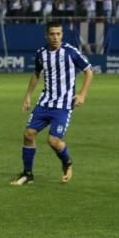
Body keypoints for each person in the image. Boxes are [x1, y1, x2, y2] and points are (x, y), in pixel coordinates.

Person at [11, 20, 94, 186]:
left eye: (58, 34)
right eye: (52, 34)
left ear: (62, 34)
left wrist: (82, 95)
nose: (56, 37)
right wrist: (28, 96)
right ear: (46, 35)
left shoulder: (71, 52)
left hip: (63, 105)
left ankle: (67, 163)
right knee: (28, 134)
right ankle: (28, 174)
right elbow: (36, 74)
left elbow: (89, 71)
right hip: (45, 103)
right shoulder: (41, 54)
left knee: (53, 141)